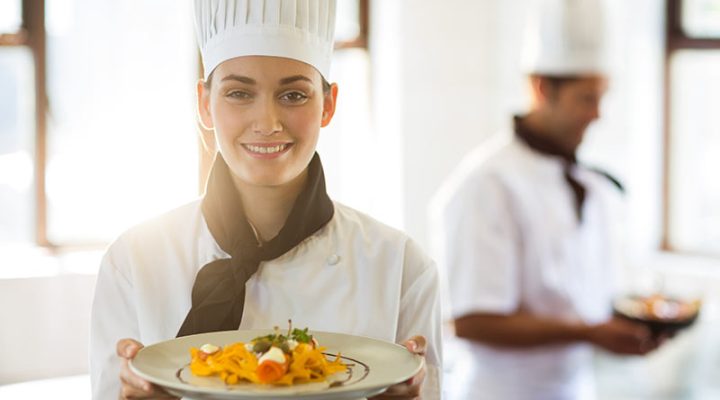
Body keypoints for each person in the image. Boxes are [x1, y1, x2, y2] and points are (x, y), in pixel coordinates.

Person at [89, 1, 442, 399]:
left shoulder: (401, 267)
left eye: (293, 95)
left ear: (328, 104)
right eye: (239, 93)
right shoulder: (133, 261)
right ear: (205, 104)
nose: (267, 123)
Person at [430, 0, 660, 399]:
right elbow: (473, 321)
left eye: (602, 97)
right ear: (541, 88)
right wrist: (590, 332)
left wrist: (636, 325)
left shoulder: (584, 179)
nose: (598, 114)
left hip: (573, 388)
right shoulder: (487, 184)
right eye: (586, 98)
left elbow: (580, 298)